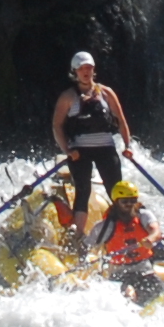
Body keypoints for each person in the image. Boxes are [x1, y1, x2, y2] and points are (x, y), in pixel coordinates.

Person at [49, 51, 133, 217]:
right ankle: (78, 234)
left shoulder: (106, 93)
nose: (86, 72)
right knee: (83, 191)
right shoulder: (68, 97)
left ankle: (127, 226)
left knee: (116, 189)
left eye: (89, 68)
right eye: (81, 69)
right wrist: (67, 150)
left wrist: (128, 146)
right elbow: (57, 125)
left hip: (106, 148)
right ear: (75, 72)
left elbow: (121, 121)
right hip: (80, 152)